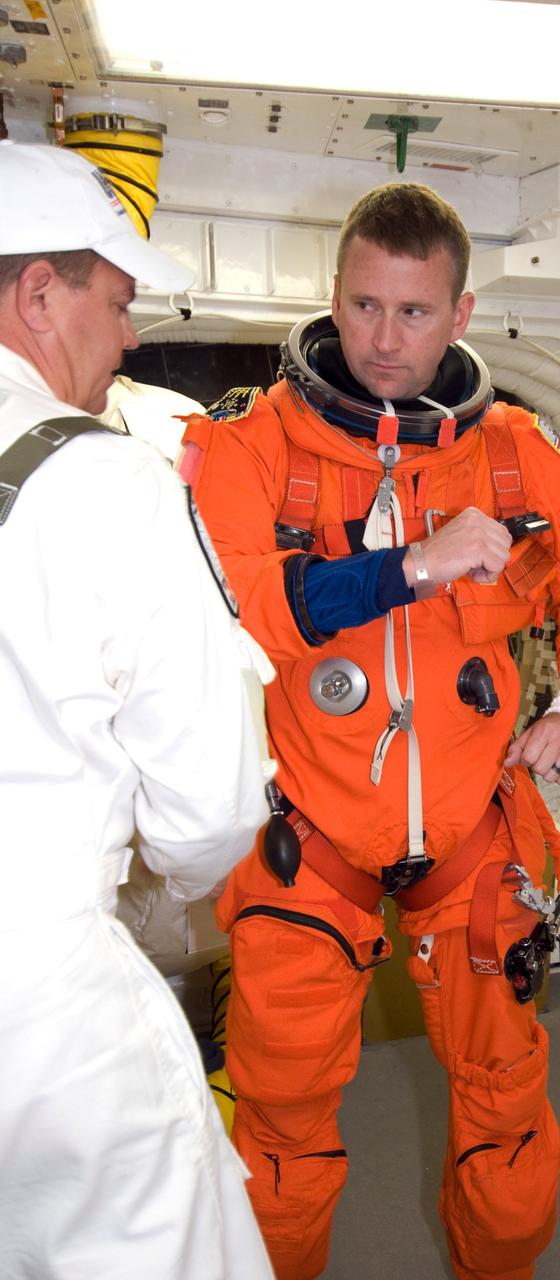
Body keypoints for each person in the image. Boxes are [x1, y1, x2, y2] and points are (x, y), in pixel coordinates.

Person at [183, 181, 560, 1280]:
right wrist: (412, 565)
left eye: (412, 312)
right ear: (332, 298)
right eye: (362, 306)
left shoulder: (516, 454)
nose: (383, 340)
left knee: (505, 1103)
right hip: (309, 832)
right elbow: (248, 607)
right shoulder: (253, 450)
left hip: (473, 828)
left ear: (462, 313)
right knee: (283, 1124)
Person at [0, 140, 276, 1280]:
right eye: (116, 304)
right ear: (38, 292)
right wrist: (167, 875)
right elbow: (209, 806)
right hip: (40, 1001)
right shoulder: (108, 477)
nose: (128, 339)